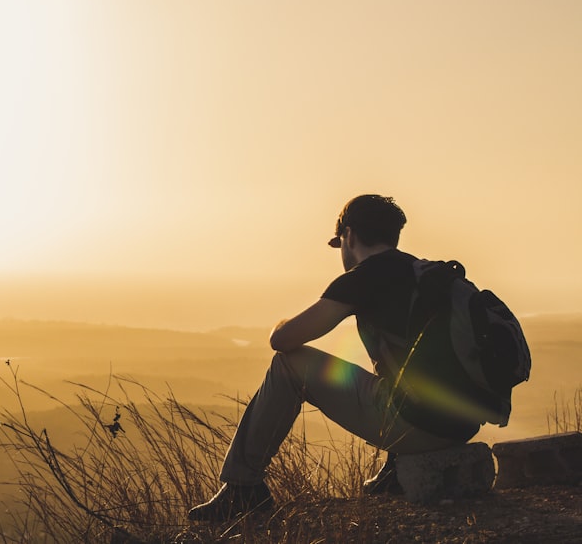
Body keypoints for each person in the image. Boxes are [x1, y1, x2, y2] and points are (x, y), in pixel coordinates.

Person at [189, 194, 484, 522]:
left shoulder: (364, 277)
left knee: (290, 366)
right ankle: (395, 469)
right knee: (397, 365)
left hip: (419, 426)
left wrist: (280, 323)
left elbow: (283, 341)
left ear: (350, 236)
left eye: (340, 242)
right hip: (463, 424)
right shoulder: (422, 274)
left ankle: (243, 488)